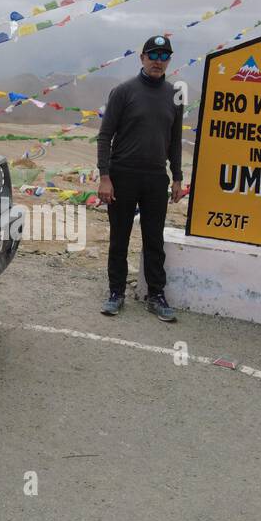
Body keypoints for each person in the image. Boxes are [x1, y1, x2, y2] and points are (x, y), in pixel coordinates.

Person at [97, 34, 185, 321]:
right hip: (123, 175)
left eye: (164, 56)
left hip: (156, 178)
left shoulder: (174, 96)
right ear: (142, 58)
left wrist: (177, 178)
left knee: (154, 239)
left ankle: (156, 295)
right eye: (153, 55)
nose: (158, 62)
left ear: (168, 61)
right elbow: (105, 135)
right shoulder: (123, 92)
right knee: (119, 238)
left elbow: (174, 141)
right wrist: (105, 177)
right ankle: (116, 293)